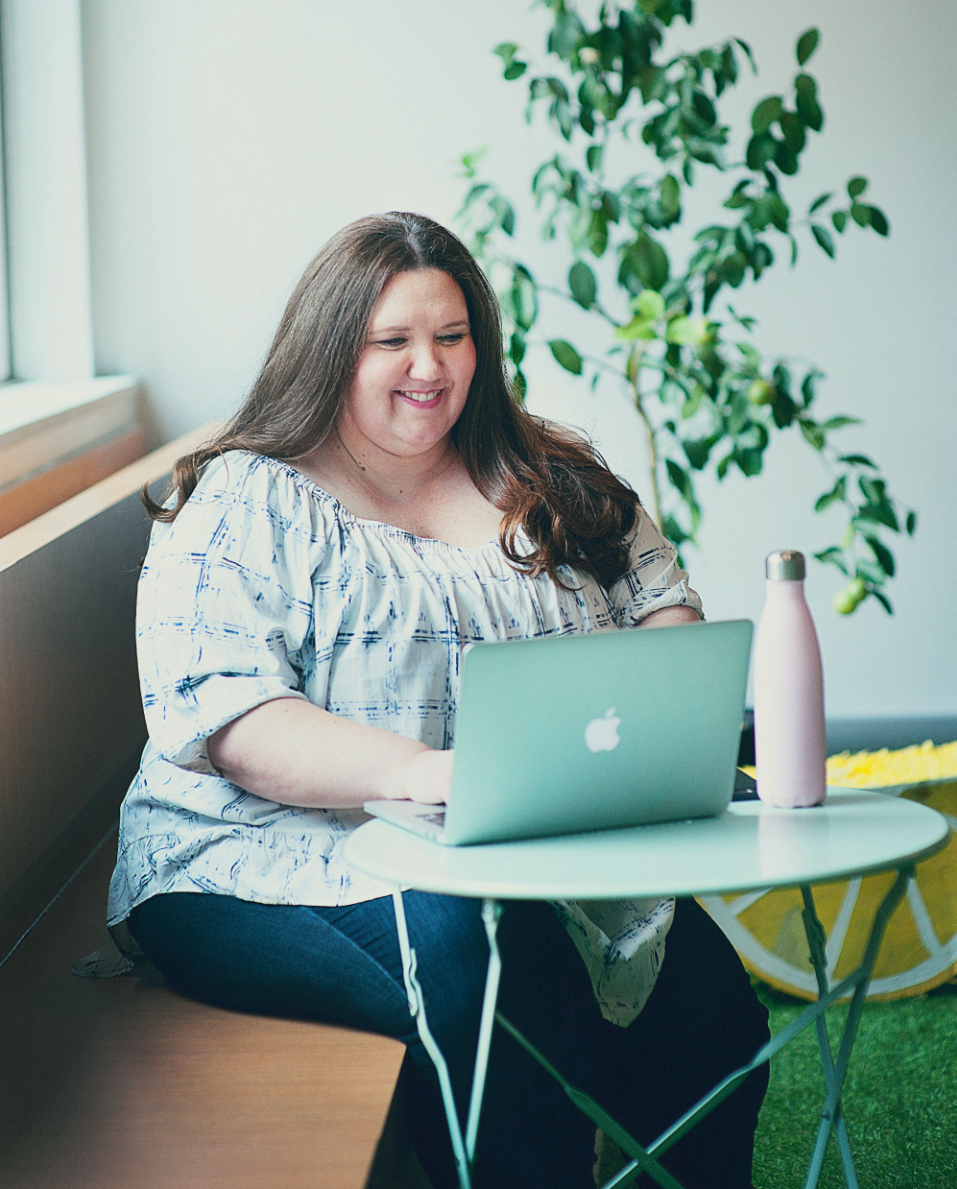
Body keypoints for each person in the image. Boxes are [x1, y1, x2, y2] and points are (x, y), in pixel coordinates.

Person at [110, 211, 769, 1188]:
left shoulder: (547, 477)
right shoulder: (247, 499)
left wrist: (657, 716)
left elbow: (660, 606)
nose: (429, 366)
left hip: (522, 844)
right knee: (489, 973)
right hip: (261, 852)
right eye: (394, 341)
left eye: (452, 336)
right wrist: (431, 775)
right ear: (332, 349)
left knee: (713, 1013)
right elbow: (235, 726)